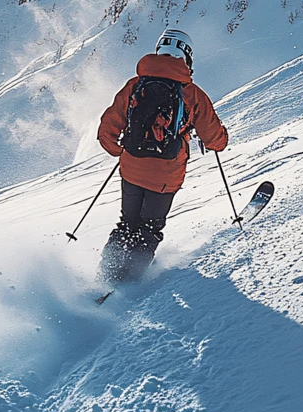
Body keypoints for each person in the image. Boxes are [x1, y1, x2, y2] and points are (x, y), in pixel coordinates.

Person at [97, 27, 228, 282]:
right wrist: (221, 139)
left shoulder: (135, 86)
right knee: (150, 228)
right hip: (166, 176)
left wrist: (120, 152)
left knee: (127, 223)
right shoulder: (192, 94)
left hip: (131, 168)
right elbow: (215, 140)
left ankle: (106, 275)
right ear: (187, 57)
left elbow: (107, 129)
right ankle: (130, 280)